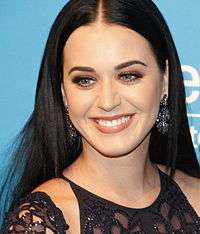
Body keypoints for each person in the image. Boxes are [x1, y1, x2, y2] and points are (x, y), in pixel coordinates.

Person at [1, 0, 200, 233]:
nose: (107, 102)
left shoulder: (196, 196)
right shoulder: (39, 223)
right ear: (64, 94)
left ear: (165, 80)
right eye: (85, 80)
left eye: (128, 75)